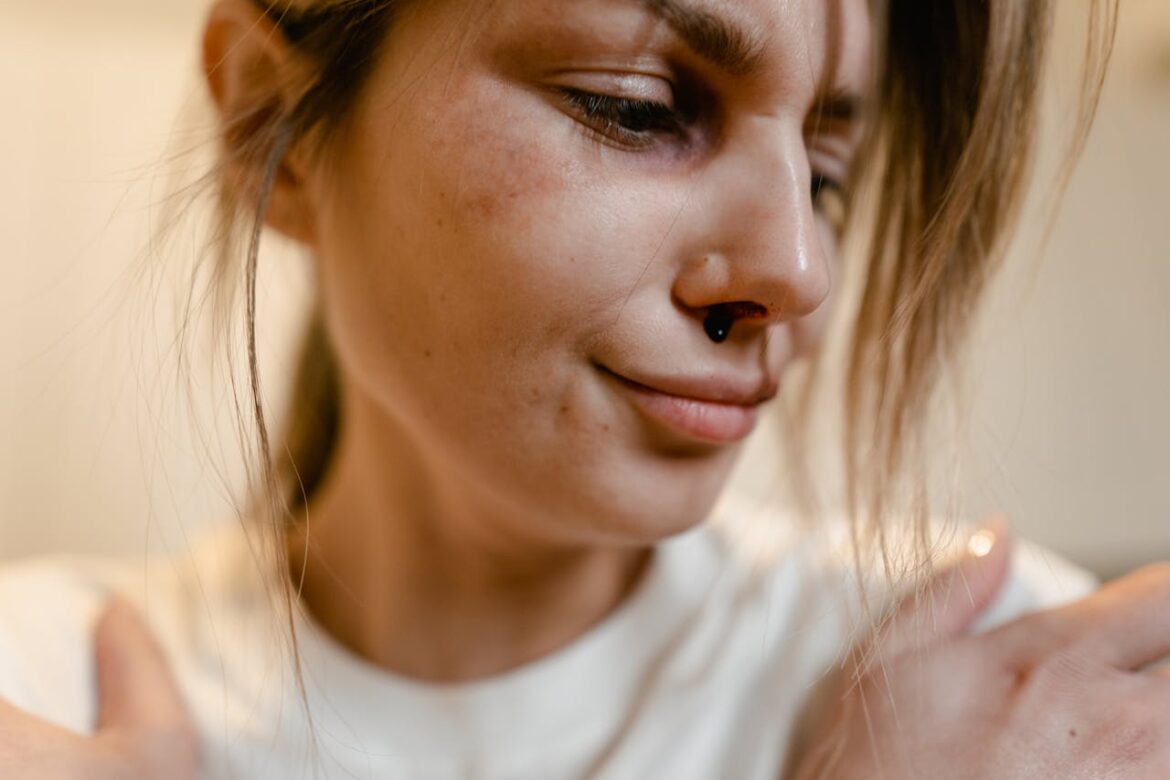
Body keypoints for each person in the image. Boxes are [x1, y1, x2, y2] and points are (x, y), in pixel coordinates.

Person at [1, 0, 1166, 778]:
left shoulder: (1006, 686)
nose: (801, 273)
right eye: (637, 109)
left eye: (825, 177)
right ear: (277, 126)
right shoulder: (46, 685)